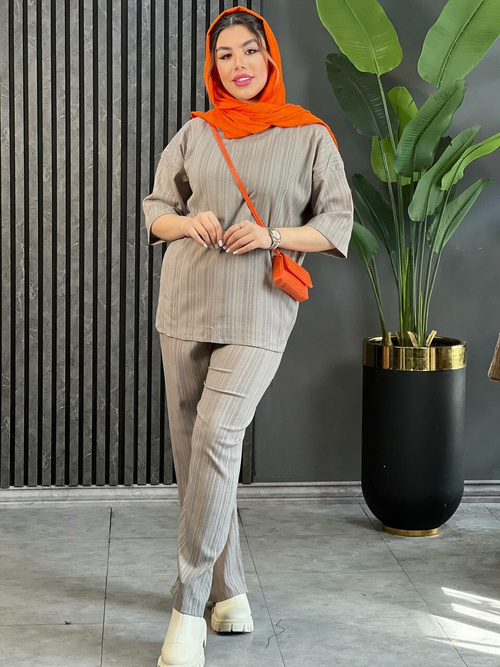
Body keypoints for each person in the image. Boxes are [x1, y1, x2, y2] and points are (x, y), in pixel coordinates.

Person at [142, 6, 354, 666]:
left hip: (259, 308)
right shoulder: (196, 131)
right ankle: (229, 590)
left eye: (249, 51)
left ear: (270, 58)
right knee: (192, 452)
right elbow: (155, 211)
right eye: (225, 54)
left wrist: (271, 234)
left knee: (216, 435)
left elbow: (336, 223)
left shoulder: (308, 134)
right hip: (185, 301)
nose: (238, 64)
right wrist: (189, 222)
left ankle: (188, 605)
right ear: (214, 66)